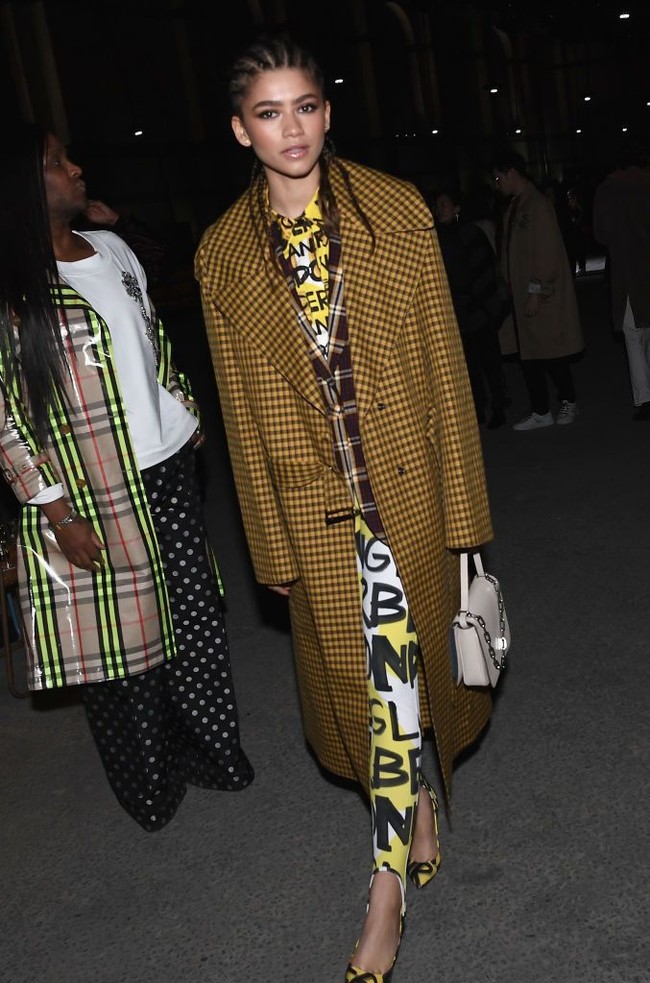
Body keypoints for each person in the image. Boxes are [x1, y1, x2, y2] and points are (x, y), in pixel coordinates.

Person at [195, 35, 495, 982]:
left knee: (399, 688)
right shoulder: (221, 255)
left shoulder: (395, 211)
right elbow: (240, 413)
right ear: (241, 130)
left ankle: (383, 896)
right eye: (271, 113)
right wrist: (266, 538)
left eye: (309, 106)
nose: (295, 128)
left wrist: (466, 521)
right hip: (317, 512)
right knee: (377, 697)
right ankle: (415, 824)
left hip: (405, 493)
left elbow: (448, 371)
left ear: (329, 111)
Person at [0, 122, 254, 831]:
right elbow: (4, 417)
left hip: (170, 465)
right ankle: (151, 786)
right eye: (56, 162)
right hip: (94, 491)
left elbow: (150, 333)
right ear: (22, 184)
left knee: (196, 619)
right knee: (124, 648)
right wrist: (53, 510)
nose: (76, 168)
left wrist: (184, 405)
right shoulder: (15, 289)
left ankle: (214, 753)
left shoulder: (110, 250)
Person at [491, 149, 584, 430]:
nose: (497, 184)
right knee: (529, 354)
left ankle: (568, 400)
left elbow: (546, 254)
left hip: (541, 295)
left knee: (551, 350)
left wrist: (534, 291)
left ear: (512, 174)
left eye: (498, 177)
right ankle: (541, 409)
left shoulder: (537, 206)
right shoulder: (517, 205)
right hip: (521, 293)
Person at [433, 187, 511, 428]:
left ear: (457, 208)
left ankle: (499, 405)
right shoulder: (436, 237)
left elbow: (484, 269)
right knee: (468, 367)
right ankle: (477, 409)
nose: (440, 209)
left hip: (478, 309)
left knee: (489, 361)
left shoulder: (470, 233)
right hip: (457, 312)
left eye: (445, 203)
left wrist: (485, 306)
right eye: (438, 205)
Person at [592, 145, 650, 421]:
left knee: (633, 336)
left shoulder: (607, 190)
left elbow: (601, 234)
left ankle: (646, 397)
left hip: (627, 272)